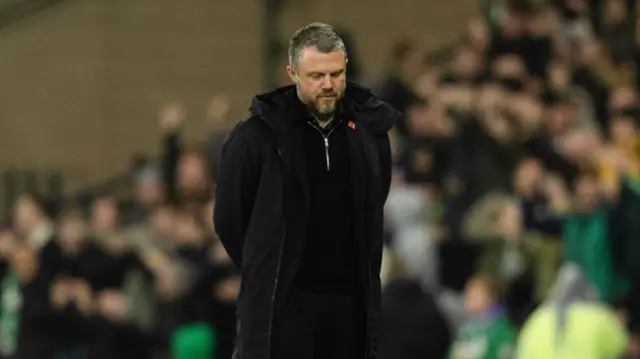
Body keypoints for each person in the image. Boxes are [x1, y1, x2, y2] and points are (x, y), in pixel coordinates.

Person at [214, 22, 399, 359]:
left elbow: (376, 199)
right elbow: (229, 220)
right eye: (316, 76)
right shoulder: (256, 137)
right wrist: (267, 264)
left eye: (336, 74)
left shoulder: (369, 135)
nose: (328, 85)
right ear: (293, 73)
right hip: (284, 303)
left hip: (350, 302)